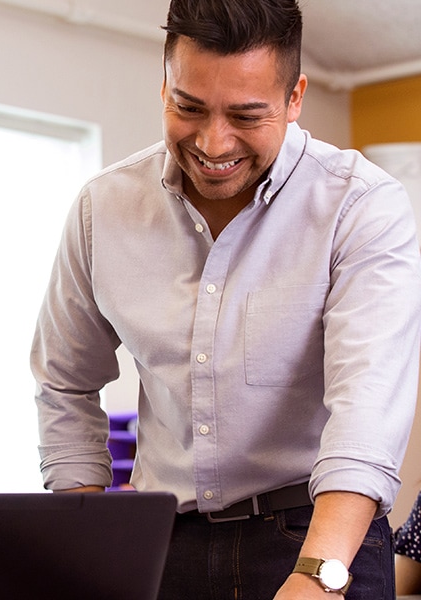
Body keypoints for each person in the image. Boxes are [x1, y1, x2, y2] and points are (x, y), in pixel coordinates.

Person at [31, 0, 421, 598]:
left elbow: (367, 406)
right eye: (189, 107)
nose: (214, 142)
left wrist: (319, 576)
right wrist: (91, 537)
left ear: (295, 98)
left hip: (320, 534)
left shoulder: (361, 207)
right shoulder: (102, 210)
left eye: (246, 114)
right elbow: (64, 380)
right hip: (166, 542)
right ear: (164, 86)